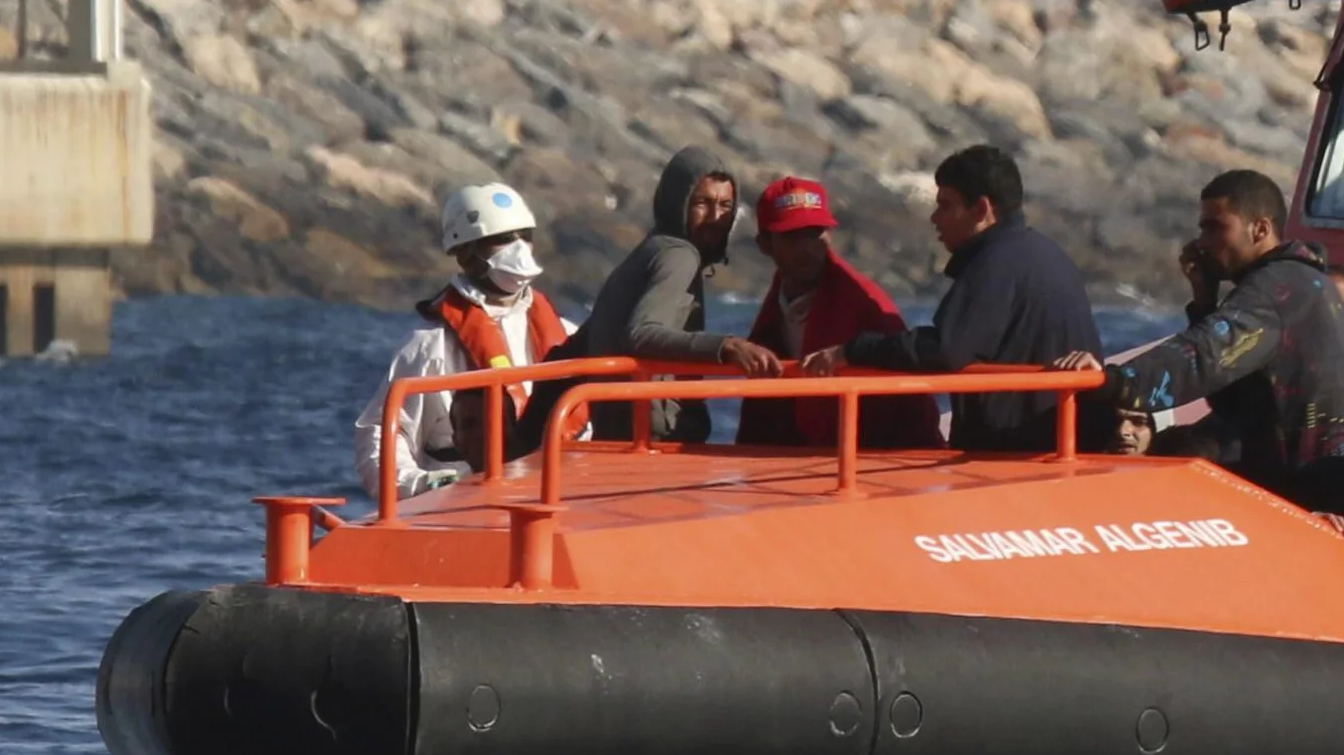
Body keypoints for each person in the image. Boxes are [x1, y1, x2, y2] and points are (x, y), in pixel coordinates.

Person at [1102, 169, 1344, 519]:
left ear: (1259, 229)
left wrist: (1115, 382)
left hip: (1322, 496)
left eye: (1216, 227)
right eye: (1202, 228)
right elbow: (1232, 399)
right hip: (1333, 484)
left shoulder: (1277, 288)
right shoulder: (1303, 279)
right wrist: (1205, 301)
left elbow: (1203, 358)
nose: (1201, 242)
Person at [820, 142, 1097, 449]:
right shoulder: (1047, 254)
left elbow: (946, 349)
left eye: (946, 205)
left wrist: (853, 350)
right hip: (1066, 441)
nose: (935, 218)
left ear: (981, 210)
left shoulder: (995, 264)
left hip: (1015, 456)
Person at [548, 145, 783, 443]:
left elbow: (573, 348)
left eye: (726, 206)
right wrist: (728, 346)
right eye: (703, 203)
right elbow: (642, 333)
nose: (716, 217)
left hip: (618, 442)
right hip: (654, 442)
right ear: (678, 203)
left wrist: (520, 439)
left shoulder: (647, 252)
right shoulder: (679, 255)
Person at [369, 181, 573, 502]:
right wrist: (422, 484)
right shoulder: (429, 347)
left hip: (555, 497)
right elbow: (384, 434)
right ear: (465, 253)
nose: (518, 248)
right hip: (466, 505)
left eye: (525, 237)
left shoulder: (567, 334)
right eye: (503, 240)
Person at [731, 174, 927, 450]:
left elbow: (907, 403)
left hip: (871, 461)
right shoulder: (780, 300)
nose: (807, 248)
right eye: (792, 237)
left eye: (815, 234)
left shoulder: (864, 301)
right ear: (764, 244)